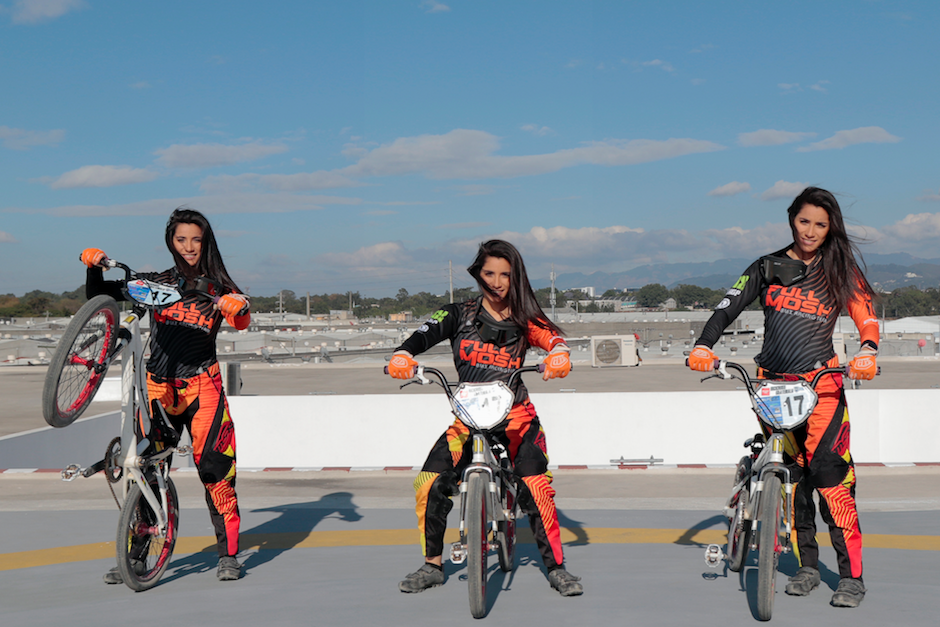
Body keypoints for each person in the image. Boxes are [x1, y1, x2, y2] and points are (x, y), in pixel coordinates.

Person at [688, 187, 879, 608]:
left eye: (821, 224)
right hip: (772, 387)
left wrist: (868, 349)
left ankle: (852, 577)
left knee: (830, 479)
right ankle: (807, 567)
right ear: (791, 218)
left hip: (821, 385)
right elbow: (728, 306)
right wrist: (704, 345)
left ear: (831, 228)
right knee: (792, 480)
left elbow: (865, 313)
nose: (810, 231)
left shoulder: (840, 270)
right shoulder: (767, 266)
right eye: (804, 221)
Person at [387, 239, 583, 597]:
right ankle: (432, 564)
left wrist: (559, 354)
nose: (496, 282)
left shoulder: (526, 318)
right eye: (489, 273)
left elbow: (553, 339)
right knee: (428, 482)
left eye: (505, 275)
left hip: (516, 419)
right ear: (477, 273)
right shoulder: (457, 313)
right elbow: (422, 335)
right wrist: (403, 355)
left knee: (537, 488)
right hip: (467, 420)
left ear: (516, 277)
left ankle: (557, 568)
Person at [80, 207, 250, 583]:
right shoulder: (156, 282)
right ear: (170, 242)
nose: (189, 247)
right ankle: (136, 556)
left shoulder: (221, 288)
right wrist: (94, 266)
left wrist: (237, 307)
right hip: (157, 387)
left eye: (196, 239)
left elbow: (242, 318)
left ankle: (229, 556)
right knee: (146, 470)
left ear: (206, 242)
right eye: (181, 239)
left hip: (203, 388)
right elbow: (101, 295)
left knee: (216, 472)